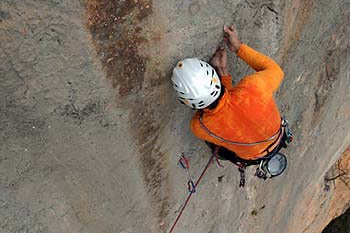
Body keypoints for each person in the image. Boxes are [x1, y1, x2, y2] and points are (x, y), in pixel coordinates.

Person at [172, 25, 287, 170]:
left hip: (265, 143)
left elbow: (226, 109)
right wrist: (238, 48)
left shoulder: (200, 126)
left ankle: (222, 70)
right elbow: (276, 71)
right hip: (269, 139)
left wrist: (224, 74)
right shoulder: (253, 88)